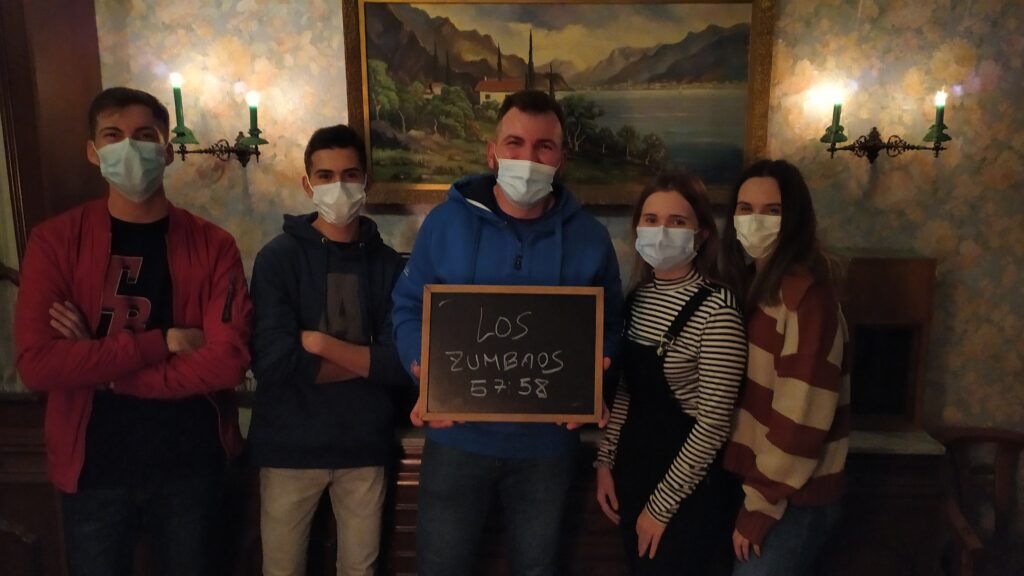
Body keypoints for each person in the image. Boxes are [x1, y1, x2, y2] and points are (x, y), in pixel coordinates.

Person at [13, 87, 253, 576]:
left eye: (144, 136)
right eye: (113, 135)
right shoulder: (55, 242)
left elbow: (227, 361)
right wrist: (160, 342)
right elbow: (38, 365)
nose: (129, 147)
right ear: (92, 151)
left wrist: (104, 370)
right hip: (93, 469)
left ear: (167, 150)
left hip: (192, 466)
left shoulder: (213, 245)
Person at [390, 89, 625, 576]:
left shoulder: (591, 239)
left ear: (561, 158)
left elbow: (608, 325)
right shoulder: (444, 224)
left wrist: (592, 378)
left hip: (547, 451)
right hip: (456, 441)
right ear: (492, 152)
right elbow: (408, 307)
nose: (528, 158)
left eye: (544, 146)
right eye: (515, 143)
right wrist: (422, 370)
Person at [247, 124, 408, 576]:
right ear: (307, 184)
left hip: (365, 447)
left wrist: (319, 344)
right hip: (288, 448)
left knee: (361, 570)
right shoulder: (277, 259)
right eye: (325, 176)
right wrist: (366, 360)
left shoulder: (389, 265)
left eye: (350, 175)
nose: (339, 186)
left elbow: (401, 364)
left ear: (366, 181)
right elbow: (273, 362)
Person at [594, 172, 747, 575]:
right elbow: (626, 391)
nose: (661, 231)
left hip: (686, 494)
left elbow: (713, 425)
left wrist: (661, 508)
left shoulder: (718, 310)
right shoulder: (637, 299)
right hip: (633, 475)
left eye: (677, 221)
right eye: (651, 219)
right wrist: (605, 463)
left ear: (701, 234)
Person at [720, 159, 850, 576]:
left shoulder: (806, 298)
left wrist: (762, 504)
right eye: (745, 209)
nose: (756, 220)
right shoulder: (754, 287)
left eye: (772, 211)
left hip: (793, 497)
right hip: (760, 484)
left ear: (794, 218)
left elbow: (800, 415)